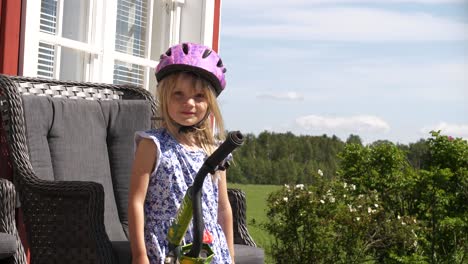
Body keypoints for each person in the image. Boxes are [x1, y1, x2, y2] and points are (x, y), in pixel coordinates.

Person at [128, 42, 235, 264]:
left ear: (210, 103)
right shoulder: (153, 145)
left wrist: (231, 256)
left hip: (208, 248)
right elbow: (136, 202)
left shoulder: (214, 150)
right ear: (165, 97)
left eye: (199, 96)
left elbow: (223, 208)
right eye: (179, 94)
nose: (189, 103)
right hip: (168, 247)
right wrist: (139, 255)